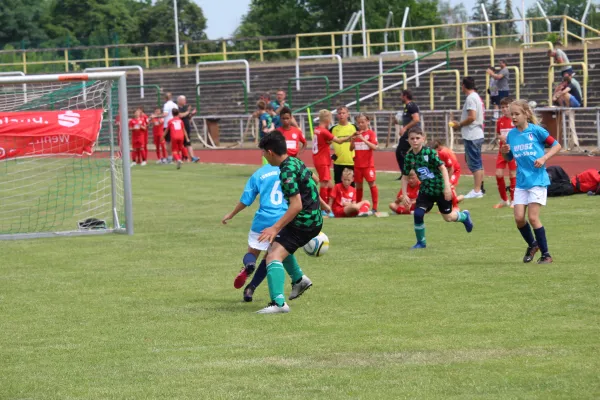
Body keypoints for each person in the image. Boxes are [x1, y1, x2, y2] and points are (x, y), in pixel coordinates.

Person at [256, 132, 322, 314]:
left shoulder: (286, 172)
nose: (263, 156)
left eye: (264, 152)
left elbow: (296, 205)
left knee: (273, 256)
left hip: (304, 222)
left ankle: (278, 303)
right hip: (312, 218)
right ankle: (299, 280)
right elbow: (314, 180)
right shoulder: (295, 161)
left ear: (270, 152)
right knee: (275, 245)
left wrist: (275, 227)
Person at [501, 99, 562, 264]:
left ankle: (546, 255)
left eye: (517, 114)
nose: (513, 117)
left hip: (537, 180)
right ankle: (533, 245)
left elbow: (557, 145)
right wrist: (504, 151)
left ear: (526, 114)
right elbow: (508, 158)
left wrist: (544, 158)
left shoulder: (536, 131)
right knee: (519, 218)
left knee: (533, 218)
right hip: (522, 182)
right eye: (512, 114)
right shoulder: (511, 135)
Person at [221, 163, 287, 303]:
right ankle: (250, 289)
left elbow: (246, 199)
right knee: (271, 257)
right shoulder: (290, 170)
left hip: (262, 220)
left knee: (252, 251)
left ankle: (249, 264)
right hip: (282, 220)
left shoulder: (259, 173)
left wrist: (231, 214)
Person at [401, 128, 473, 249]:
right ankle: (421, 243)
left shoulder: (429, 152)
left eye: (417, 138)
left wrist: (447, 186)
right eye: (412, 138)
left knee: (448, 217)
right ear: (408, 140)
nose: (415, 141)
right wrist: (404, 194)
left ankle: (464, 216)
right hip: (425, 190)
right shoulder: (409, 157)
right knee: (418, 214)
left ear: (423, 139)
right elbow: (404, 177)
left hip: (440, 189)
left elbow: (443, 168)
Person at [450, 76, 485, 199]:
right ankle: (479, 188)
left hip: (472, 134)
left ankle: (477, 190)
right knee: (477, 162)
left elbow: (472, 117)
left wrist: (459, 124)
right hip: (476, 133)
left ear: (464, 86)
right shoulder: (476, 96)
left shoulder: (471, 98)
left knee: (474, 163)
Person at [312, 109, 353, 211]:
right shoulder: (324, 131)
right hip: (322, 160)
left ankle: (331, 206)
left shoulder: (317, 130)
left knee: (330, 184)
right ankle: (323, 208)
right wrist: (351, 136)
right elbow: (339, 141)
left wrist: (328, 142)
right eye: (330, 118)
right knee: (324, 183)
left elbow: (325, 142)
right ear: (327, 119)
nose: (331, 120)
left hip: (319, 159)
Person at [351, 113, 379, 212]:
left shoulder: (371, 133)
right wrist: (352, 140)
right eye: (358, 123)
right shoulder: (356, 133)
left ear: (368, 122)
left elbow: (374, 147)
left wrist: (363, 139)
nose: (360, 124)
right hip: (357, 165)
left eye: (362, 122)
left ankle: (374, 207)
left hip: (368, 165)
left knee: (372, 184)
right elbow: (351, 149)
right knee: (358, 186)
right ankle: (358, 207)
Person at [494, 97, 517, 208]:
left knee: (513, 174)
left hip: (513, 151)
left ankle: (514, 199)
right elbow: (498, 134)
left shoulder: (516, 120)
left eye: (507, 106)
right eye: (502, 107)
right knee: (498, 174)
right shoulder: (500, 121)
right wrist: (500, 137)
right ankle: (504, 199)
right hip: (502, 151)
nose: (504, 109)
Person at [395, 90, 421, 178]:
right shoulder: (406, 107)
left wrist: (405, 128)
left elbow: (416, 119)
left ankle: (408, 173)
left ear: (405, 96)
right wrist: (399, 122)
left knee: (401, 151)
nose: (400, 97)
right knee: (401, 152)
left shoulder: (411, 105)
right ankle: (406, 173)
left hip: (412, 132)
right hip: (408, 132)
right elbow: (408, 120)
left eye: (401, 95)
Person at [432, 139, 462, 211]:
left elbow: (451, 168)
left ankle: (455, 206)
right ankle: (448, 203)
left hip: (454, 171)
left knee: (449, 186)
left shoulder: (444, 153)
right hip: (446, 171)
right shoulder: (434, 155)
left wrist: (447, 180)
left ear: (437, 148)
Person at [331, 106, 357, 184]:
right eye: (339, 113)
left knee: (351, 186)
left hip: (351, 162)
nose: (341, 115)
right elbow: (325, 142)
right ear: (337, 115)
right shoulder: (333, 129)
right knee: (338, 185)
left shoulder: (354, 127)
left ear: (348, 114)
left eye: (343, 113)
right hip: (338, 162)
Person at [177, 95, 199, 163]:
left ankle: (192, 157)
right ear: (179, 101)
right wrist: (188, 111)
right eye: (184, 100)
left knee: (188, 142)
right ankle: (183, 157)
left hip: (186, 128)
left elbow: (188, 117)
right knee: (182, 143)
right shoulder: (176, 107)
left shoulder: (185, 108)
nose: (185, 101)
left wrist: (192, 114)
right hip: (180, 128)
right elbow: (180, 115)